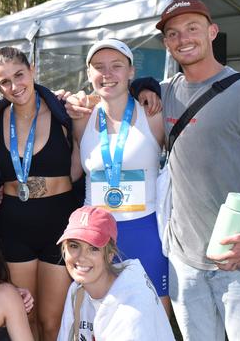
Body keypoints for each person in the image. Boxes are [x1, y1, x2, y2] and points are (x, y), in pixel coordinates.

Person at [69, 0, 240, 340]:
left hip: (238, 250)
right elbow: (114, 93)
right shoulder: (164, 95)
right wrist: (78, 100)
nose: (183, 38)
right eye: (173, 33)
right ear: (166, 44)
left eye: (192, 28)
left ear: (213, 32)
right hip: (184, 258)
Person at [0, 46, 80, 340]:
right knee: (25, 317)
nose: (14, 86)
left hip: (58, 225)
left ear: (32, 69)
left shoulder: (63, 114)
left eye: (19, 75)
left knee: (53, 321)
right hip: (14, 226)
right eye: (4, 81)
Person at [74, 39, 170, 312]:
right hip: (96, 236)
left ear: (131, 71)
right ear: (88, 73)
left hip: (145, 230)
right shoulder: (81, 117)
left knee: (153, 317)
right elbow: (72, 170)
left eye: (117, 66)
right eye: (99, 67)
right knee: (100, 318)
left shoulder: (153, 113)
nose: (108, 74)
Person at [56, 206, 174, 341]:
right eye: (74, 245)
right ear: (64, 249)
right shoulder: (77, 290)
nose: (82, 257)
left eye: (93, 248)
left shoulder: (132, 310)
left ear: (110, 255)